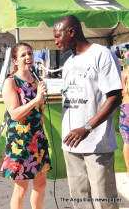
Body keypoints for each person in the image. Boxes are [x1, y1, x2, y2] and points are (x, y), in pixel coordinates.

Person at [53, 15, 122, 209]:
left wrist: (86, 128)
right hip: (71, 146)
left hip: (96, 145)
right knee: (80, 200)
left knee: (104, 201)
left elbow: (115, 97)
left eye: (58, 36)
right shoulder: (68, 63)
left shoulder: (102, 54)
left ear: (72, 32)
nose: (56, 41)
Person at [1, 42, 51, 209]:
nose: (28, 57)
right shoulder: (11, 82)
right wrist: (36, 100)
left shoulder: (38, 80)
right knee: (21, 188)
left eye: (29, 53)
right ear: (15, 60)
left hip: (38, 138)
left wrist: (41, 96)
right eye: (23, 55)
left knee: (41, 185)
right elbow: (14, 113)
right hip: (20, 141)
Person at [119, 51, 129, 177]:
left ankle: (128, 170)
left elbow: (120, 92)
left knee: (127, 141)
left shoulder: (122, 74)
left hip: (125, 107)